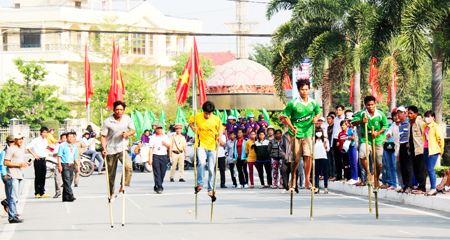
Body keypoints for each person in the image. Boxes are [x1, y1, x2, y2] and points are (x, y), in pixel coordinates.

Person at [280, 79, 321, 190]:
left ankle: (307, 180)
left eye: (306, 89)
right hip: (296, 133)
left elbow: (318, 112)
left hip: (308, 133)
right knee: (296, 159)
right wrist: (291, 127)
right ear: (299, 91)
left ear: (309, 90)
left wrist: (316, 118)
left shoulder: (313, 102)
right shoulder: (293, 103)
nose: (304, 92)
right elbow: (285, 116)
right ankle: (293, 179)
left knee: (308, 156)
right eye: (302, 90)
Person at [188, 101, 224, 197]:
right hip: (200, 145)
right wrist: (193, 128)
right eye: (206, 113)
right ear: (203, 111)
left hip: (212, 146)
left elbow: (221, 129)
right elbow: (190, 122)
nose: (207, 116)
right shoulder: (197, 116)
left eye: (209, 113)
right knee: (202, 163)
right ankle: (200, 183)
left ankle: (210, 189)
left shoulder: (216, 119)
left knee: (212, 169)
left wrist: (219, 135)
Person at [101, 101, 136, 200]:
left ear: (123, 110)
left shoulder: (127, 119)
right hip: (110, 149)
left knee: (128, 166)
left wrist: (127, 134)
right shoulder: (108, 121)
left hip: (122, 147)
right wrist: (104, 149)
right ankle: (111, 193)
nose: (119, 111)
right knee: (111, 174)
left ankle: (123, 185)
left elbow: (133, 130)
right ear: (114, 110)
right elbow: (103, 136)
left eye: (121, 110)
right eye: (117, 109)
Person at [352, 96, 388, 188]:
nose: (370, 107)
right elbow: (353, 122)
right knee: (362, 155)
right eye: (368, 105)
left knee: (379, 162)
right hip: (366, 139)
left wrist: (377, 133)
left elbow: (385, 125)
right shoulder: (362, 113)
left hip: (378, 140)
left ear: (375, 104)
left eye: (372, 105)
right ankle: (369, 174)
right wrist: (361, 121)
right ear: (365, 105)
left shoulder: (380, 114)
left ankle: (376, 178)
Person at [4, 133, 31, 223]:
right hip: (12, 175)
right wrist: (18, 164)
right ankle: (12, 216)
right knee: (13, 196)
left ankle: (13, 213)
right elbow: (6, 162)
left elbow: (19, 162)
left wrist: (25, 164)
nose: (21, 141)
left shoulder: (20, 149)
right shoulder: (11, 149)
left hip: (19, 174)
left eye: (22, 139)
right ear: (15, 140)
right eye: (19, 139)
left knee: (17, 195)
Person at [422, 111, 444, 196]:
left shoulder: (435, 127)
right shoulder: (425, 126)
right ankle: (428, 187)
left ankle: (433, 188)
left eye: (429, 116)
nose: (427, 118)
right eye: (426, 116)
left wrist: (441, 150)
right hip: (425, 149)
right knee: (427, 168)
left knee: (431, 169)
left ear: (433, 118)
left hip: (433, 150)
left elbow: (440, 139)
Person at [26, 127, 51, 198]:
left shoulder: (45, 140)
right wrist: (34, 155)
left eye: (46, 132)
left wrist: (45, 155)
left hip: (43, 159)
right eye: (44, 132)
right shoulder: (36, 140)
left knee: (43, 176)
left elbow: (44, 149)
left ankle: (42, 192)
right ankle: (37, 192)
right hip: (38, 159)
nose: (45, 134)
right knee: (38, 176)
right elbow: (28, 147)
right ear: (41, 132)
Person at [407, 106, 427, 194]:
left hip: (420, 149)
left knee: (421, 169)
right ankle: (419, 186)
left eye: (411, 113)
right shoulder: (409, 124)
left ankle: (422, 188)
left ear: (416, 114)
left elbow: (425, 136)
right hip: (412, 150)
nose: (409, 115)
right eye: (408, 113)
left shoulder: (421, 124)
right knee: (416, 169)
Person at [148, 124, 170, 194]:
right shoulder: (153, 137)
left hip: (164, 155)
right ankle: (160, 187)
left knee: (162, 173)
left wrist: (165, 144)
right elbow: (151, 148)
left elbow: (169, 146)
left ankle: (157, 185)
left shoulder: (165, 137)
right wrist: (150, 158)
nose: (159, 130)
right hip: (156, 155)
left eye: (161, 128)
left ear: (162, 129)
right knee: (157, 172)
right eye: (158, 128)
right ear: (156, 129)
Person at [57, 132, 78, 202]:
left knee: (70, 181)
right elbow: (59, 156)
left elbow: (75, 157)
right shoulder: (62, 145)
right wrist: (59, 165)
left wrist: (78, 166)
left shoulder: (74, 146)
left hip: (71, 165)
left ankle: (65, 197)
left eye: (72, 137)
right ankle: (71, 195)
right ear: (66, 138)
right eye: (69, 137)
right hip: (64, 164)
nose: (71, 138)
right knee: (66, 181)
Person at [385, 111, 400, 190]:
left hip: (400, 148)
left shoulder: (404, 125)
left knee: (397, 166)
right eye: (394, 116)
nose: (396, 117)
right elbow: (388, 134)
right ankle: (393, 184)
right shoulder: (392, 126)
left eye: (398, 115)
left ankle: (400, 184)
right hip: (392, 147)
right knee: (391, 166)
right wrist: (388, 135)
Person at [0, 135, 15, 213]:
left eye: (14, 142)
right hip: (7, 175)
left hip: (15, 174)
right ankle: (12, 211)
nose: (13, 143)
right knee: (11, 193)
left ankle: (6, 202)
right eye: (11, 142)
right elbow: (2, 165)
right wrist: (4, 174)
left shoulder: (14, 151)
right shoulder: (4, 152)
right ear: (8, 142)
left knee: (15, 193)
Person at [314, 127, 330, 194]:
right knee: (316, 173)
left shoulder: (325, 140)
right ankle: (317, 187)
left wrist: (325, 146)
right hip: (316, 158)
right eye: (317, 131)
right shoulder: (314, 140)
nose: (318, 133)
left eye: (320, 131)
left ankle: (325, 187)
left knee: (325, 173)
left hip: (323, 157)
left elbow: (328, 149)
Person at [52, 133, 67, 198]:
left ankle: (66, 192)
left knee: (67, 179)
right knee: (57, 178)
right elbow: (54, 154)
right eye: (63, 138)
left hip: (66, 163)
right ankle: (58, 192)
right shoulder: (58, 146)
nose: (64, 140)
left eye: (65, 138)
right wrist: (60, 153)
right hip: (58, 163)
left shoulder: (69, 146)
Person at [332, 105, 345, 181]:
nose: (338, 111)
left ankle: (345, 175)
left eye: (340, 110)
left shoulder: (344, 118)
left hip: (342, 139)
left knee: (343, 157)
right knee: (337, 159)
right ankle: (338, 175)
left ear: (343, 111)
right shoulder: (336, 119)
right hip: (335, 139)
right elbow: (334, 131)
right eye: (337, 110)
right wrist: (332, 144)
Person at [345, 119, 358, 185]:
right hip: (349, 146)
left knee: (354, 162)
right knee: (351, 162)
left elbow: (353, 137)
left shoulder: (355, 128)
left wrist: (347, 138)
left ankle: (356, 177)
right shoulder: (348, 128)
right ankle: (353, 177)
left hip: (354, 145)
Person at [326, 115, 336, 181]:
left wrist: (333, 147)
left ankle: (335, 175)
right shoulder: (328, 128)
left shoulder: (334, 127)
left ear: (333, 119)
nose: (328, 120)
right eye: (327, 119)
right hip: (328, 146)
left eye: (330, 119)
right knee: (329, 161)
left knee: (334, 161)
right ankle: (331, 175)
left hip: (333, 145)